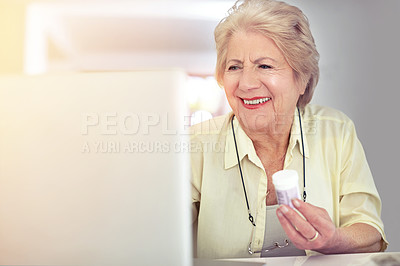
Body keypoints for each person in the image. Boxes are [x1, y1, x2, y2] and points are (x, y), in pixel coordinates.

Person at [190, 0, 388, 259]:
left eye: (265, 66)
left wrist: (334, 240)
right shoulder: (197, 144)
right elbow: (159, 233)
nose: (246, 84)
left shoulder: (336, 132)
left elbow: (371, 234)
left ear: (302, 78)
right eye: (234, 67)